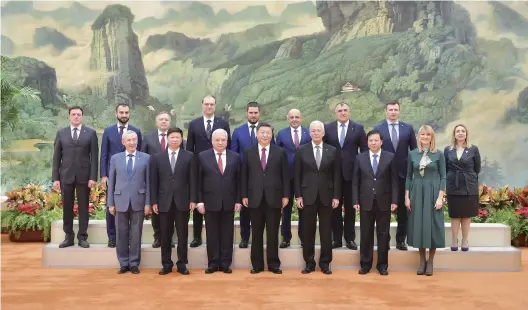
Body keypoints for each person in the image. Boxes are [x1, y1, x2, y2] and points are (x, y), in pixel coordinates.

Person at [241, 123, 289, 274]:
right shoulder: (248, 152)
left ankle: (274, 264)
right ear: (256, 134)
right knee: (256, 232)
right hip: (254, 198)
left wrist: (286, 195)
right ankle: (257, 265)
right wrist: (244, 195)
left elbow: (285, 176)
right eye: (262, 132)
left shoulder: (280, 152)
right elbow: (244, 176)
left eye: (268, 133)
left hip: (274, 197)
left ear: (271, 134)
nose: (265, 135)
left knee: (273, 232)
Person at [294, 121, 340, 275]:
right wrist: (298, 195)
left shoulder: (332, 150)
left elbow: (337, 175)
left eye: (318, 130)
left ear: (323, 132)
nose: (315, 133)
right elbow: (297, 175)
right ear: (309, 133)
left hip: (327, 196)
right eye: (313, 131)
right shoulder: (301, 150)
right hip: (307, 196)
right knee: (308, 231)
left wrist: (336, 196)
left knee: (326, 231)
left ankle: (325, 263)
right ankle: (309, 262)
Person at [150, 127, 197, 276]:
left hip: (182, 201)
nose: (175, 139)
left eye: (178, 137)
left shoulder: (189, 156)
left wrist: (193, 199)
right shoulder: (157, 157)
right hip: (164, 202)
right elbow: (154, 182)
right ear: (167, 139)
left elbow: (193, 181)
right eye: (172, 137)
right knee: (165, 235)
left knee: (182, 234)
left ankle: (182, 263)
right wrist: (154, 201)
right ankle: (166, 264)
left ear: (182, 139)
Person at [186, 95, 231, 248]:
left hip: (218, 166)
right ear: (202, 105)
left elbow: (228, 145)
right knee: (199, 201)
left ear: (215, 105)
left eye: (212, 104)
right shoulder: (194, 124)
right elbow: (189, 148)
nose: (209, 107)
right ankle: (197, 236)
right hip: (199, 167)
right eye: (207, 104)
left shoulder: (223, 123)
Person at [352, 130, 398, 276]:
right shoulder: (360, 158)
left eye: (376, 140)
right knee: (366, 233)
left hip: (384, 201)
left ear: (381, 142)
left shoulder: (390, 157)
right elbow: (355, 182)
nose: (373, 143)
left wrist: (395, 201)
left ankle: (382, 265)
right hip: (365, 201)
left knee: (383, 234)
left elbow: (395, 181)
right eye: (370, 140)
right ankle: (365, 264)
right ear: (367, 142)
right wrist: (355, 200)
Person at [52, 106, 98, 248]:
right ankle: (69, 237)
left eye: (79, 114)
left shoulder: (90, 133)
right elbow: (56, 157)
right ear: (69, 116)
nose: (76, 117)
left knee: (84, 207)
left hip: (84, 176)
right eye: (74, 114)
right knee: (67, 207)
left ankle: (83, 237)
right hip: (65, 175)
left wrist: (93, 177)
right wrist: (55, 178)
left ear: (82, 117)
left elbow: (94, 158)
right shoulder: (61, 133)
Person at [323, 103, 367, 249]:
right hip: (332, 175)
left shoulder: (358, 128)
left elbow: (364, 151)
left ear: (350, 112)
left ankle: (350, 238)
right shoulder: (327, 128)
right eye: (339, 110)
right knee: (333, 208)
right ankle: (336, 238)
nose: (342, 113)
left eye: (345, 110)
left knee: (350, 208)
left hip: (351, 175)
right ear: (335, 113)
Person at [231, 102, 275, 248]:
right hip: (244, 177)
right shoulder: (238, 131)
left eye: (256, 113)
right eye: (251, 113)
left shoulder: (266, 131)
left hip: (263, 178)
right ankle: (244, 237)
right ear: (246, 113)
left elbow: (272, 151)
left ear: (259, 113)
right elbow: (234, 154)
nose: (253, 115)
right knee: (245, 209)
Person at [374, 101, 417, 250]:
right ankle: (384, 239)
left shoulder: (408, 128)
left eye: (396, 110)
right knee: (384, 208)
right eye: (390, 109)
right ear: (385, 111)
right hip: (383, 175)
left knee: (403, 210)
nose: (393, 112)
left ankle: (400, 240)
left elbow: (414, 151)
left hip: (403, 175)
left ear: (399, 111)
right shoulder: (378, 129)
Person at [196, 129, 241, 274]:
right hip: (209, 202)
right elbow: (198, 181)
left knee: (227, 234)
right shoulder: (202, 156)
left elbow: (239, 180)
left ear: (227, 141)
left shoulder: (235, 157)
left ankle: (225, 263)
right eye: (218, 140)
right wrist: (199, 201)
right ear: (212, 141)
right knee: (212, 234)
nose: (220, 143)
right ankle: (213, 263)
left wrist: (238, 200)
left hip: (229, 202)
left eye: (223, 140)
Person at [107, 131, 151, 274]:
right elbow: (111, 182)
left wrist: (148, 203)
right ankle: (123, 262)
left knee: (136, 233)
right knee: (121, 233)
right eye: (129, 140)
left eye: (134, 140)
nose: (132, 142)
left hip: (139, 200)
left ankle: (134, 263)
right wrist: (110, 203)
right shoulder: (115, 158)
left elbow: (149, 183)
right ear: (123, 142)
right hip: (120, 201)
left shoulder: (146, 158)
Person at [100, 103, 143, 248]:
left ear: (129, 114)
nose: (124, 115)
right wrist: (104, 175)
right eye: (121, 112)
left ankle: (130, 238)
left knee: (131, 207)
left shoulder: (136, 132)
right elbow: (104, 154)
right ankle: (112, 237)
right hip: (113, 177)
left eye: (126, 112)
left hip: (131, 176)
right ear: (116, 114)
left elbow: (140, 155)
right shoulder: (108, 131)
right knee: (111, 206)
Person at [406, 125, 446, 276]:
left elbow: (443, 176)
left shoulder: (439, 155)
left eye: (427, 135)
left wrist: (440, 197)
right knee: (419, 225)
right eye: (422, 134)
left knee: (433, 225)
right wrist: (407, 197)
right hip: (417, 192)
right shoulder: (412, 154)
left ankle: (431, 261)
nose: (425, 137)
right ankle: (422, 260)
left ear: (432, 137)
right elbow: (409, 176)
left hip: (433, 191)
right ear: (419, 137)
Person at [275, 109, 311, 248]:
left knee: (304, 209)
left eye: (297, 117)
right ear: (288, 119)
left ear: (301, 118)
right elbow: (277, 154)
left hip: (305, 177)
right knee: (286, 208)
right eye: (292, 117)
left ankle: (304, 238)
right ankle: (286, 237)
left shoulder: (308, 133)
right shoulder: (282, 133)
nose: (294, 119)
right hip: (287, 176)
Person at [444, 124, 481, 251]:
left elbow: (477, 168)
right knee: (455, 215)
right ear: (454, 134)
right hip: (453, 186)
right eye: (458, 131)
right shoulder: (448, 150)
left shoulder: (473, 149)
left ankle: (465, 241)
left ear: (466, 134)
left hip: (469, 187)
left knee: (466, 215)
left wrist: (468, 178)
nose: (460, 133)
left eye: (463, 131)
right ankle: (454, 240)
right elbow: (445, 168)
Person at [141, 111, 171, 248]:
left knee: (171, 210)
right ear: (156, 122)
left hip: (171, 180)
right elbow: (143, 158)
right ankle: (157, 236)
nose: (164, 122)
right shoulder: (148, 138)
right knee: (156, 209)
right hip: (154, 179)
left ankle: (169, 238)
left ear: (170, 122)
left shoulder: (175, 137)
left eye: (166, 119)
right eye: (161, 119)